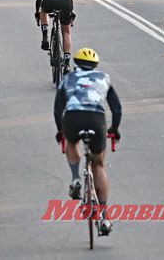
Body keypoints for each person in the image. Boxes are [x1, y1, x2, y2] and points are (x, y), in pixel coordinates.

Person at [53, 48, 122, 236]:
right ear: (96, 65)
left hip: (73, 118)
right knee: (98, 164)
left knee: (72, 142)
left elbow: (58, 109)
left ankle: (76, 178)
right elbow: (116, 109)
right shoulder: (103, 78)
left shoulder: (68, 78)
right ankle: (105, 216)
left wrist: (61, 130)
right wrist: (114, 129)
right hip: (96, 119)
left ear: (76, 64)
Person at [35, 0, 76, 73]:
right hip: (65, 1)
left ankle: (45, 37)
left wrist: (37, 11)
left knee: (44, 11)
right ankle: (67, 64)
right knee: (66, 31)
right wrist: (70, 13)